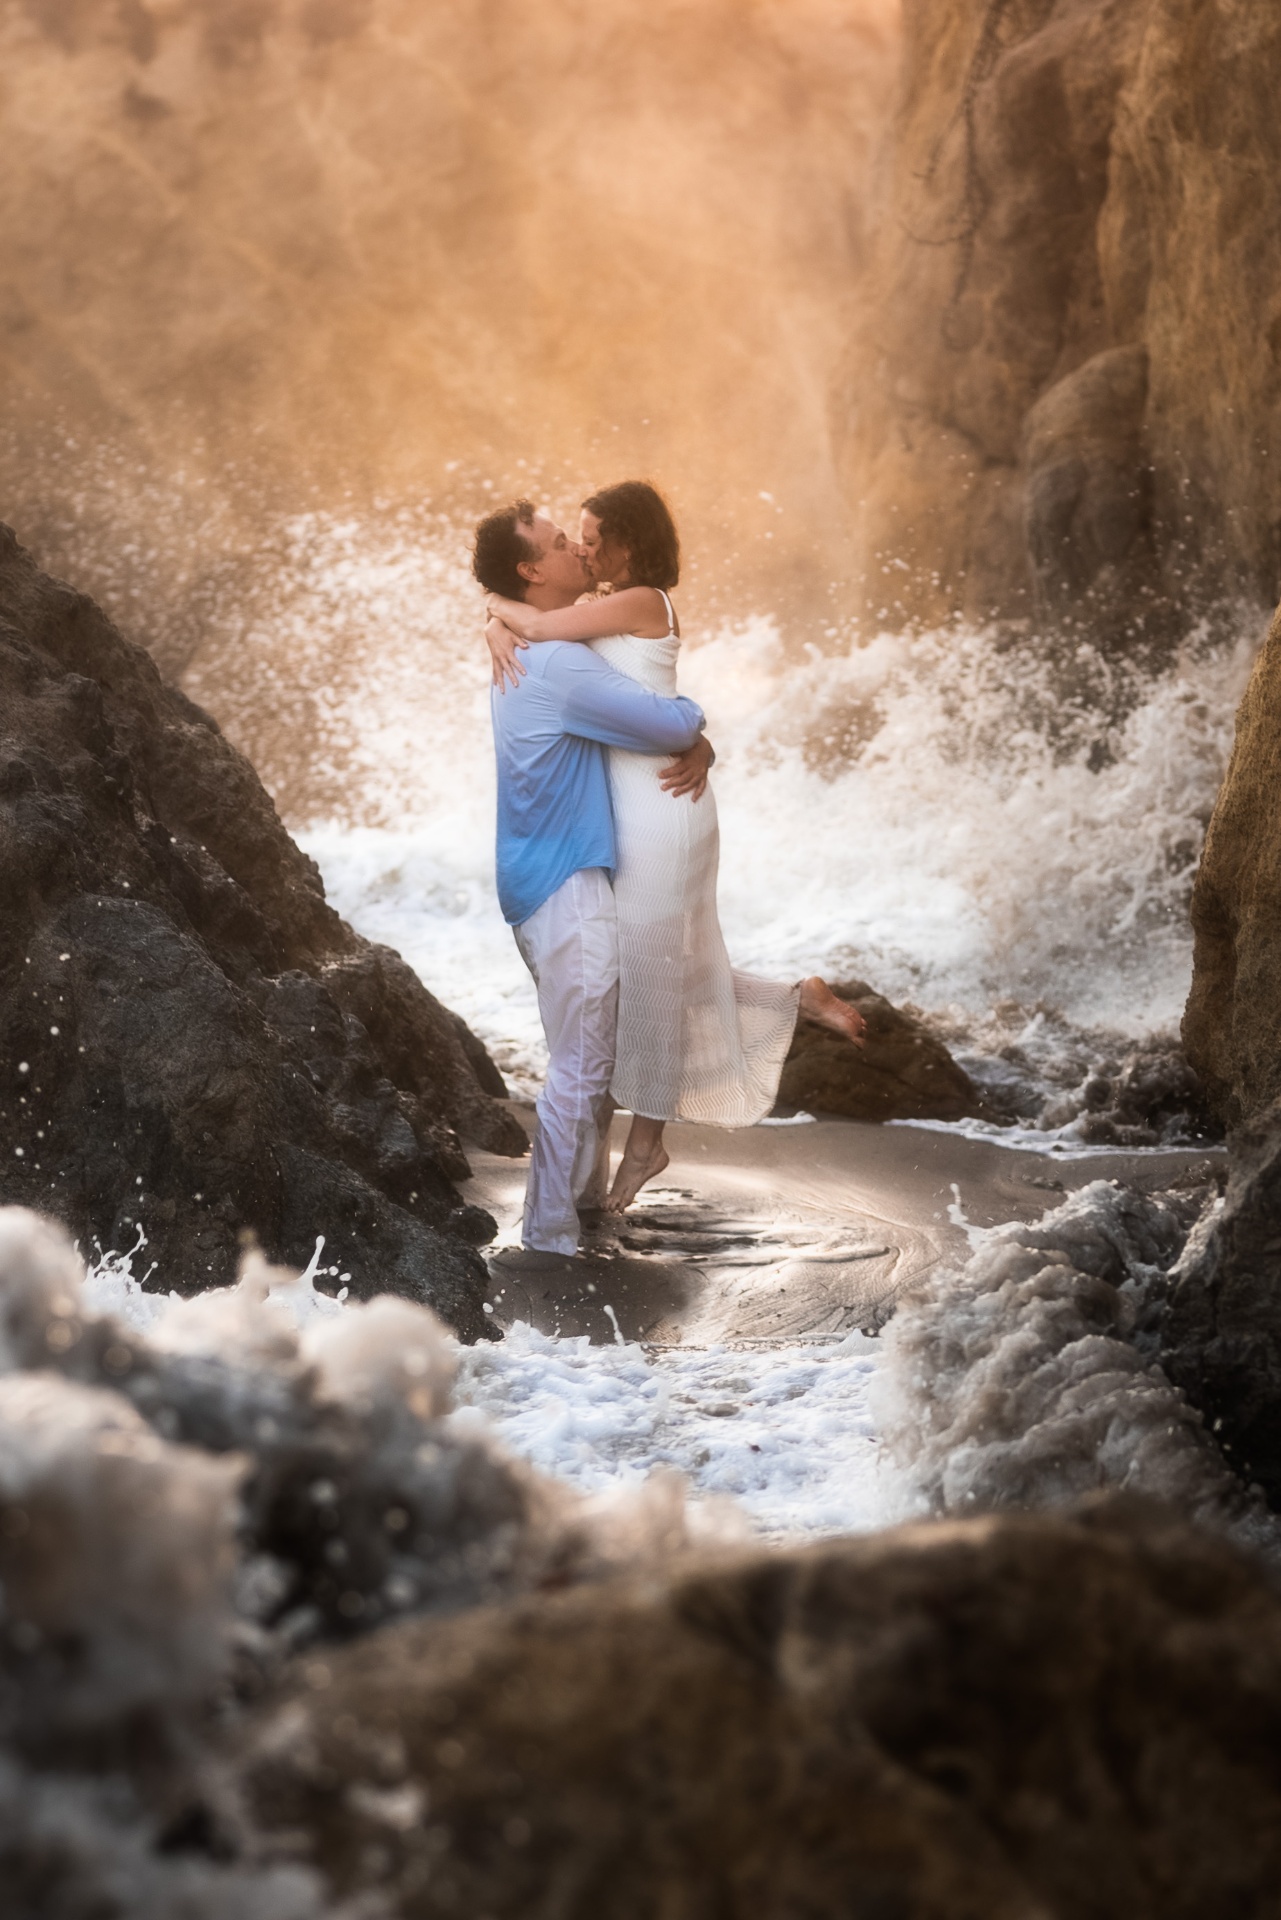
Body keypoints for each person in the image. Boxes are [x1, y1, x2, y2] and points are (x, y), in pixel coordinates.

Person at [484, 480, 865, 1214]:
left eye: (592, 537)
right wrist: (493, 620)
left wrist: (499, 617)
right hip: (637, 804)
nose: (583, 548)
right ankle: (793, 997)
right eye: (573, 539)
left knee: (655, 970)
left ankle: (649, 1143)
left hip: (662, 807)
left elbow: (538, 627)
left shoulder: (641, 599)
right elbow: (547, 629)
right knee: (658, 966)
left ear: (628, 541)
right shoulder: (595, 611)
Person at [472, 498, 713, 1269]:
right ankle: (547, 1236)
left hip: (536, 879)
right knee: (581, 1062)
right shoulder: (559, 663)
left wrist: (493, 616)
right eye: (557, 544)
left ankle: (576, 1203)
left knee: (587, 1054)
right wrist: (699, 731)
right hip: (565, 882)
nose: (577, 549)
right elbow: (669, 725)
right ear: (530, 571)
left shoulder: (529, 647)